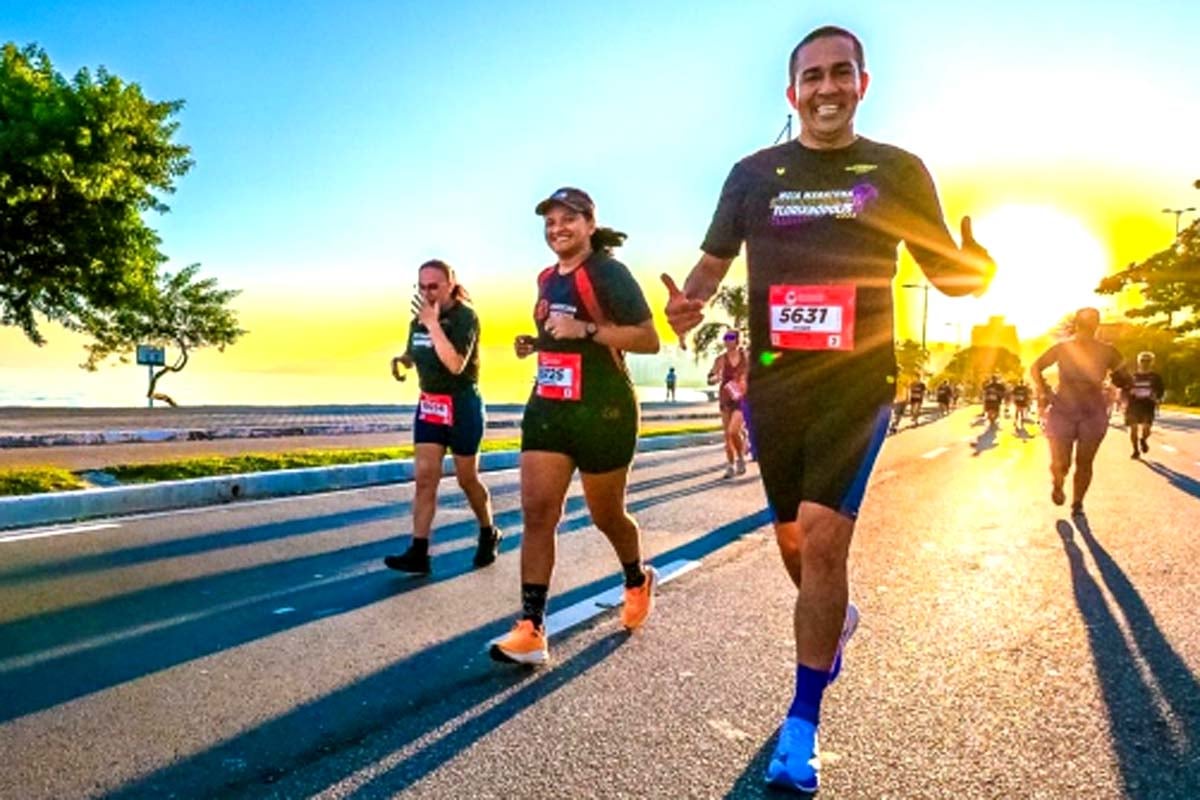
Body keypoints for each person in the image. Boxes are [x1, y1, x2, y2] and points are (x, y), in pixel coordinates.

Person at [661, 26, 993, 794]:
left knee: (822, 542)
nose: (826, 88)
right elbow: (710, 267)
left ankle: (801, 727)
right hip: (776, 383)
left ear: (862, 83)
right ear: (792, 93)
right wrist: (688, 308)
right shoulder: (753, 174)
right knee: (793, 546)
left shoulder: (899, 170)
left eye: (841, 73)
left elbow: (949, 275)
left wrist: (982, 264)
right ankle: (832, 619)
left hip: (856, 382)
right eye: (812, 77)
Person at [490, 187, 661, 666]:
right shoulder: (546, 278)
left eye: (568, 220)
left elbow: (648, 339)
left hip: (604, 409)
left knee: (607, 515)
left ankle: (636, 577)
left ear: (589, 224)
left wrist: (586, 331)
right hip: (549, 406)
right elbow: (558, 335)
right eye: (550, 222)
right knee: (537, 513)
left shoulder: (609, 272)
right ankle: (530, 628)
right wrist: (538, 343)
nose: (557, 229)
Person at [383, 260, 501, 575]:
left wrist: (434, 324)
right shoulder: (417, 320)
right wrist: (403, 360)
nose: (426, 293)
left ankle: (488, 530)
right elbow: (417, 351)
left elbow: (455, 365)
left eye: (433, 286)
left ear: (450, 284)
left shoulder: (465, 318)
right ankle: (418, 552)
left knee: (467, 478)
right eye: (421, 287)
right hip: (431, 405)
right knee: (425, 479)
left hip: (462, 404)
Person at [1031, 307, 1128, 516]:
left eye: (1092, 323)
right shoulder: (1063, 348)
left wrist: (1122, 377)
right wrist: (1045, 390)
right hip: (1063, 408)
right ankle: (1059, 484)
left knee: (1084, 462)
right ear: (1077, 325)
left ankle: (1077, 504)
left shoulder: (1108, 351)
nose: (1088, 328)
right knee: (1062, 463)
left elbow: (1122, 376)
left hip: (1092, 410)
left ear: (1096, 326)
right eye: (1086, 323)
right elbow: (1036, 367)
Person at [708, 329, 749, 478]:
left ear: (737, 340)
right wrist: (714, 378)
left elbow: (760, 368)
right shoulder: (721, 359)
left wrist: (747, 380)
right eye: (725, 338)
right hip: (726, 397)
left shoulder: (746, 356)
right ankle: (730, 465)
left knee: (733, 431)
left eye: (731, 337)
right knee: (727, 435)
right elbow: (711, 376)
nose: (727, 340)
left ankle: (740, 458)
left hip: (742, 398)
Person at [1126, 351, 1166, 458]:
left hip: (1148, 405)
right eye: (1143, 361)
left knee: (1146, 428)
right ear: (1139, 362)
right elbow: (1125, 389)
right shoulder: (1133, 376)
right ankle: (1135, 450)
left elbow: (1161, 390)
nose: (1145, 363)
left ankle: (1143, 440)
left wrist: (1156, 397)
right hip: (1133, 405)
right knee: (1133, 428)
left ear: (1151, 362)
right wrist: (1128, 394)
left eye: (1147, 361)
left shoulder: (1155, 377)